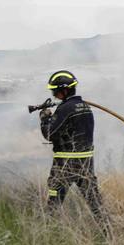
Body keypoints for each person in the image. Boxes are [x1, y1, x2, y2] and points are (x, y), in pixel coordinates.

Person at [39, 70, 108, 229]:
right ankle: (107, 232)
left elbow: (50, 134)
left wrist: (45, 119)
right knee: (94, 200)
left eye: (55, 90)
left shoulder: (65, 109)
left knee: (55, 198)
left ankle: (51, 230)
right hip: (86, 162)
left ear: (64, 90)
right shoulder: (85, 107)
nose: (54, 94)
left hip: (66, 163)